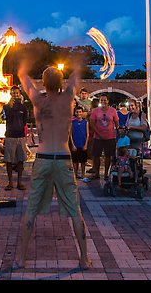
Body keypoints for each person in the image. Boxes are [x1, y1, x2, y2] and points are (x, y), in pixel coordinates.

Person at [16, 62, 91, 270]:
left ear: (44, 83)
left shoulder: (37, 100)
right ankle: (84, 259)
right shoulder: (68, 98)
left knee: (31, 210)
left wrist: (23, 60)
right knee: (75, 211)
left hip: (43, 158)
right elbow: (77, 73)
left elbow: (23, 76)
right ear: (60, 83)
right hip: (64, 159)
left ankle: (21, 258)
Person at [2, 85, 29, 191]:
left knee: (21, 160)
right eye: (13, 93)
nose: (15, 94)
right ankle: (10, 182)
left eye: (17, 93)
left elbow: (24, 122)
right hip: (9, 136)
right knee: (8, 160)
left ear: (19, 94)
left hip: (20, 136)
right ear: (10, 94)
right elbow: (4, 118)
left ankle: (19, 182)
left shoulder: (23, 107)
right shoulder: (6, 107)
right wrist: (10, 106)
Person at [89, 94, 119, 180]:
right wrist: (98, 133)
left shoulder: (113, 111)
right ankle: (97, 173)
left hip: (110, 137)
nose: (103, 102)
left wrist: (118, 132)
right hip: (98, 137)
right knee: (96, 155)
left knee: (108, 156)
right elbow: (92, 123)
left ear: (108, 101)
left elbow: (116, 122)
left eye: (105, 100)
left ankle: (106, 173)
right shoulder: (95, 111)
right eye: (101, 100)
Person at [69, 106, 89, 180]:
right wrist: (72, 145)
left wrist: (86, 144)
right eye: (77, 112)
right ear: (75, 113)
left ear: (82, 113)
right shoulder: (72, 122)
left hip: (83, 143)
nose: (78, 113)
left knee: (83, 161)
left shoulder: (85, 122)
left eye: (80, 112)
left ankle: (83, 174)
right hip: (75, 143)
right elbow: (70, 134)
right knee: (75, 161)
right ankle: (75, 174)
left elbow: (87, 134)